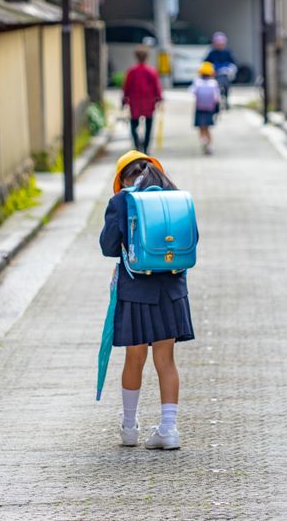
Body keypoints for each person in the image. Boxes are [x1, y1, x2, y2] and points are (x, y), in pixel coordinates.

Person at [99, 150, 196, 450]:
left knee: (135, 358)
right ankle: (169, 429)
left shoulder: (122, 201)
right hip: (171, 289)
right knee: (166, 360)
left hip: (136, 290)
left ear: (123, 179)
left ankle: (129, 428)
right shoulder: (176, 197)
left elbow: (107, 246)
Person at [122, 46, 162, 154]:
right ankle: (146, 146)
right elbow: (156, 86)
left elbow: (126, 87)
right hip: (149, 102)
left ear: (136, 57)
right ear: (147, 57)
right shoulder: (151, 71)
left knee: (133, 124)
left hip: (134, 102)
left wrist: (124, 100)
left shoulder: (131, 71)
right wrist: (159, 99)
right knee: (149, 125)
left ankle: (137, 143)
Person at [190, 62, 220, 155]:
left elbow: (192, 92)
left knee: (201, 127)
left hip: (199, 108)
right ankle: (210, 144)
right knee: (208, 127)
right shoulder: (213, 83)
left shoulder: (197, 82)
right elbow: (216, 98)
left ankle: (203, 140)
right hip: (209, 109)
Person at [204, 32, 237, 109]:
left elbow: (233, 63)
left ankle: (226, 99)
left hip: (226, 74)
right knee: (216, 87)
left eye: (221, 44)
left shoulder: (228, 52)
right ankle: (216, 102)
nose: (219, 45)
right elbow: (206, 63)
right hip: (215, 74)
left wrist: (229, 69)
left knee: (226, 85)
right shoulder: (212, 53)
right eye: (218, 44)